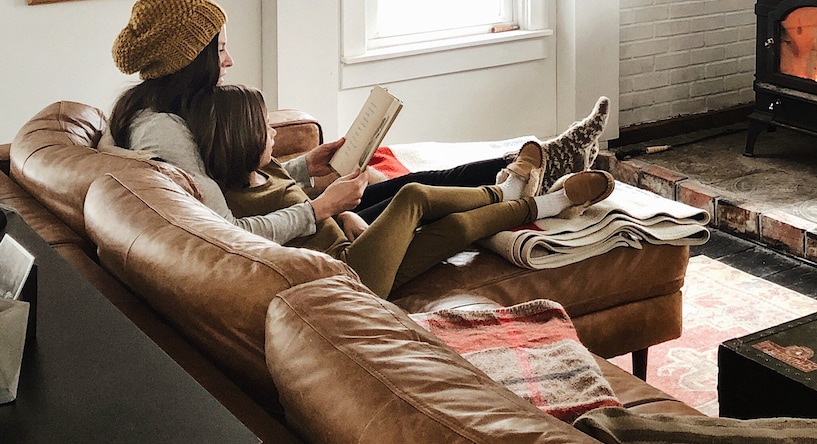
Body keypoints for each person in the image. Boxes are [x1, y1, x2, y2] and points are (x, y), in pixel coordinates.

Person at [105, 0, 612, 249]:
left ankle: (544, 158)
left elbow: (229, 180)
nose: (229, 61)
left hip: (297, 210)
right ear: (189, 59)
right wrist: (320, 207)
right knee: (419, 197)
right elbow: (226, 232)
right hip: (310, 234)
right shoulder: (163, 133)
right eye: (219, 50)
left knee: (411, 181)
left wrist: (307, 167)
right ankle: (538, 180)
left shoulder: (158, 111)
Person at [186, 84, 612, 297]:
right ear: (243, 138)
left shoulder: (269, 168)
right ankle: (510, 188)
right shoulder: (233, 203)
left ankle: (554, 200)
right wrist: (325, 208)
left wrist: (340, 210)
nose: (275, 134)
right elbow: (265, 233)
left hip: (355, 245)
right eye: (265, 128)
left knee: (456, 228)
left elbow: (301, 216)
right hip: (349, 274)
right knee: (413, 197)